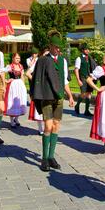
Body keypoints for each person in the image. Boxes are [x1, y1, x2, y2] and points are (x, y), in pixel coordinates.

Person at [30, 31, 74, 172]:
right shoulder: (43, 60)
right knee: (48, 126)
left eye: (59, 47)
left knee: (56, 125)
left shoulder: (63, 61)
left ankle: (51, 156)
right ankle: (44, 158)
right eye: (56, 47)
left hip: (59, 98)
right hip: (47, 97)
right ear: (50, 46)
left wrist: (70, 96)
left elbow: (65, 80)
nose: (58, 49)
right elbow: (35, 76)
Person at [26, 48, 46, 136]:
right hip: (36, 81)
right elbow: (28, 70)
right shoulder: (36, 61)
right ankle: (41, 128)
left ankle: (46, 128)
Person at [4, 53, 27, 127]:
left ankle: (16, 119)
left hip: (19, 84)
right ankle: (11, 121)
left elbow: (22, 76)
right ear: (13, 58)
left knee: (19, 101)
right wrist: (6, 80)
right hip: (13, 85)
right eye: (16, 58)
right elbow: (2, 73)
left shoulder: (21, 66)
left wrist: (23, 86)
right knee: (12, 101)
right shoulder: (9, 66)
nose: (18, 60)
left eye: (19, 58)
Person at [74, 43, 97, 117]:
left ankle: (86, 110)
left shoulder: (90, 58)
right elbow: (76, 70)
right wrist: (78, 80)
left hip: (89, 78)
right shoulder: (79, 58)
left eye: (88, 49)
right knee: (83, 94)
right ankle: (77, 105)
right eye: (86, 49)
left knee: (89, 94)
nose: (88, 51)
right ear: (82, 50)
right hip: (83, 78)